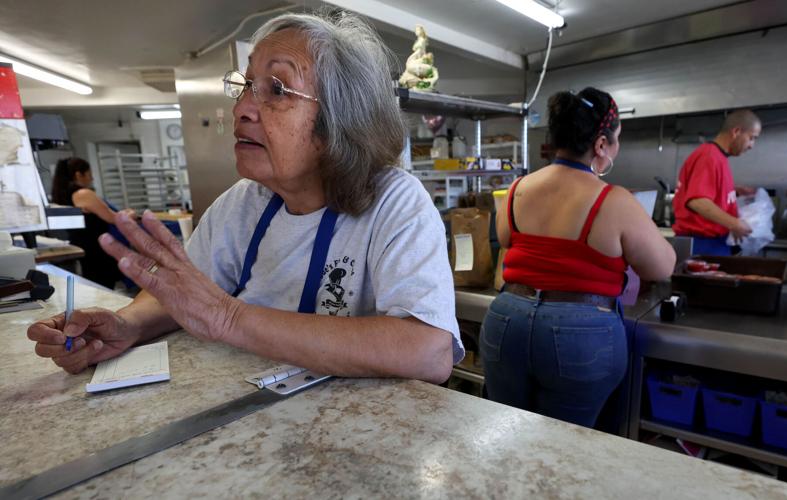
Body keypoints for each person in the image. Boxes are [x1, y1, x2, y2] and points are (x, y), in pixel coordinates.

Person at [28, 11, 463, 384]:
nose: (241, 109)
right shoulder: (245, 201)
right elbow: (186, 294)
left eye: (276, 89)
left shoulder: (394, 202)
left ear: (340, 118)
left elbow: (427, 350)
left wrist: (228, 318)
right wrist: (127, 325)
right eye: (246, 85)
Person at [480, 88, 676, 427]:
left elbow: (506, 239)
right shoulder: (613, 200)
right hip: (578, 336)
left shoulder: (517, 189)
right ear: (601, 144)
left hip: (507, 320)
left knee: (508, 436)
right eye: (616, 140)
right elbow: (662, 267)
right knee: (565, 446)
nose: (616, 147)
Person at [672, 110, 761, 256]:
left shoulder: (719, 157)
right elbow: (697, 201)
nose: (752, 145)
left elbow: (709, 193)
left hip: (715, 243)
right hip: (701, 244)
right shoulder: (709, 156)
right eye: (751, 138)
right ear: (736, 131)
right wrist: (735, 223)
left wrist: (735, 191)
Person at [50, 157, 132, 289]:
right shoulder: (83, 194)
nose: (92, 178)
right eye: (89, 174)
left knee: (95, 287)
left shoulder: (61, 195)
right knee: (103, 286)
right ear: (78, 174)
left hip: (83, 246)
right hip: (97, 250)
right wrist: (130, 214)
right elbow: (112, 218)